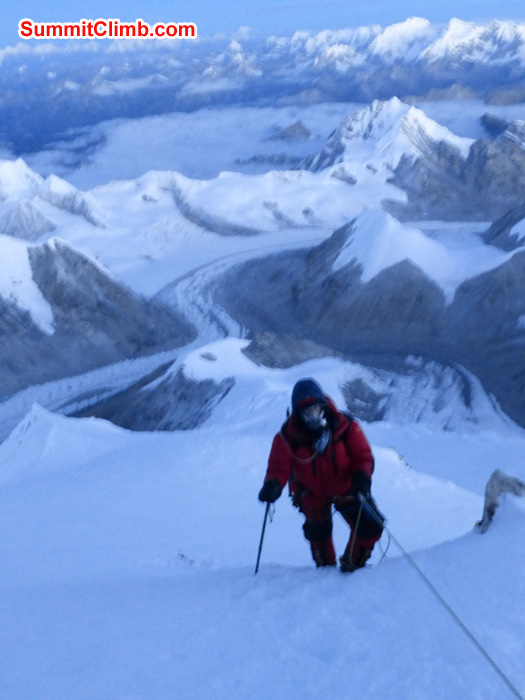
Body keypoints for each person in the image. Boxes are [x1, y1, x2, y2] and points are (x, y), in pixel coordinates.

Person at [258, 378, 384, 571]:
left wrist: (362, 478)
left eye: (316, 408)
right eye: (307, 411)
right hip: (311, 492)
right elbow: (278, 466)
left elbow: (363, 455)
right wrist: (273, 485)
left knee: (370, 525)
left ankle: (353, 565)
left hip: (347, 486)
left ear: (323, 406)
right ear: (298, 413)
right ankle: (325, 573)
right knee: (318, 535)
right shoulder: (288, 437)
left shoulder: (344, 426)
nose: (313, 415)